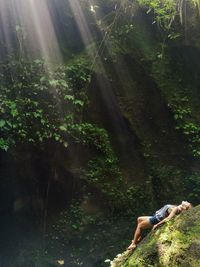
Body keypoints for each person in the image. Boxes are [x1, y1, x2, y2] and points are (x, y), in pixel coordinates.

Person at [127, 201, 192, 250]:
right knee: (139, 219)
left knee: (140, 226)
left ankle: (134, 244)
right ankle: (138, 238)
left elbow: (169, 218)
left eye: (187, 203)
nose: (186, 201)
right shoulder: (177, 207)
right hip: (156, 216)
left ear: (185, 207)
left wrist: (157, 224)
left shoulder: (176, 209)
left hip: (156, 219)